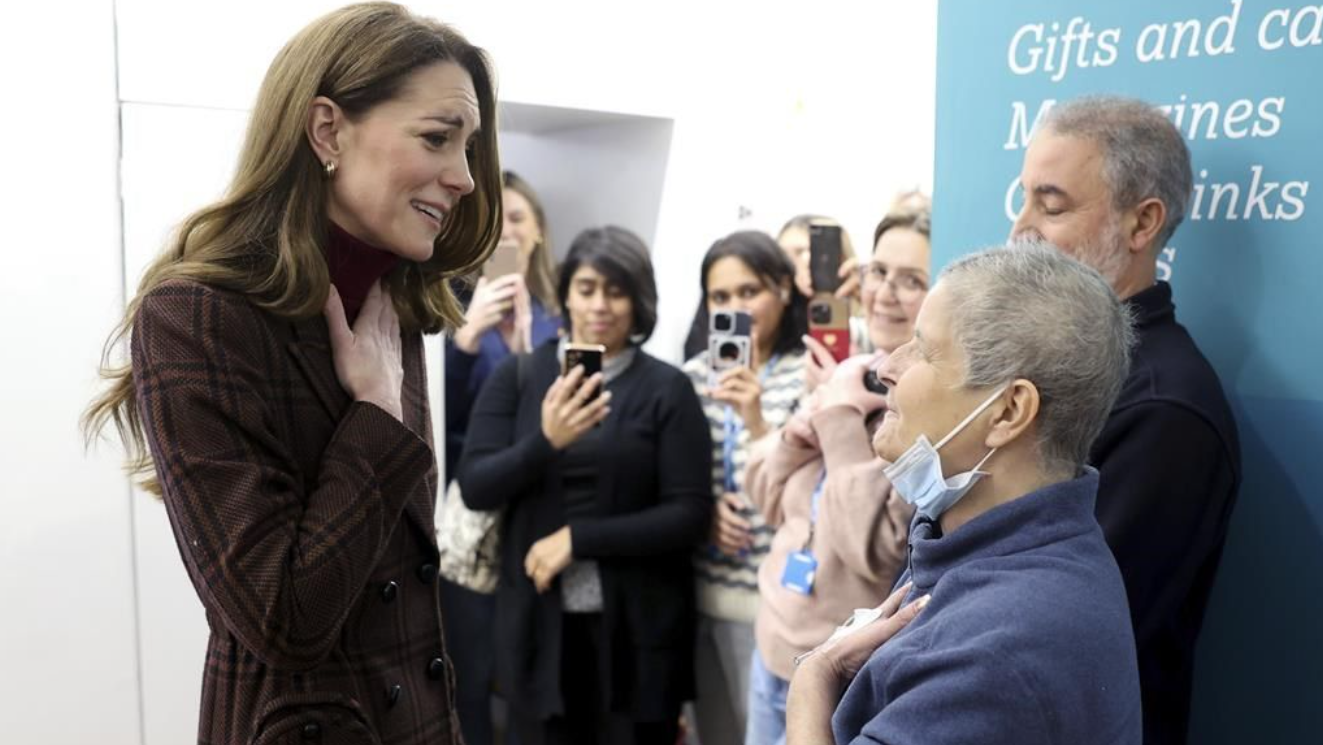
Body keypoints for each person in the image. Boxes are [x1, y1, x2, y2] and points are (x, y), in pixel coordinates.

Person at [81, 4, 500, 743]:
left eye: (468, 146)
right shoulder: (196, 316)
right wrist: (372, 414)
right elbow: (280, 617)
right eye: (438, 137)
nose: (464, 177)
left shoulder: (391, 304)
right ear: (327, 130)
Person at [787, 241, 1141, 745]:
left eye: (924, 352)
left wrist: (810, 684)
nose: (887, 367)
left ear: (1008, 412)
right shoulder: (974, 540)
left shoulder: (999, 650)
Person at [1011, 95, 1241, 745]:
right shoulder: (1060, 364)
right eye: (1023, 199)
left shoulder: (1167, 411)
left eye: (1050, 205)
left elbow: (1060, 630)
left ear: (1141, 224)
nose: (1019, 228)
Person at [458, 226, 712, 745]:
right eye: (588, 287)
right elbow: (476, 487)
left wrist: (578, 539)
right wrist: (546, 441)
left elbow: (688, 514)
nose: (600, 305)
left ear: (638, 301)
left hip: (638, 636)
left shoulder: (666, 389)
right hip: (539, 630)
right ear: (567, 291)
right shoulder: (520, 376)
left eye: (617, 292)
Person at [742, 206, 931, 745]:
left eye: (912, 280)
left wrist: (840, 423)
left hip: (841, 668)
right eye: (879, 272)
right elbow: (769, 499)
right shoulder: (842, 370)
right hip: (773, 643)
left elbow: (872, 548)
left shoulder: (923, 404)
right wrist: (795, 433)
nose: (886, 293)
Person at [440, 170, 561, 745]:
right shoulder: (449, 314)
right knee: (470, 667)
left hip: (540, 516)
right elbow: (438, 421)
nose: (505, 231)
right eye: (493, 220)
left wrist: (529, 361)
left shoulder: (561, 322)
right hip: (471, 517)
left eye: (517, 218)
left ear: (537, 232)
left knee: (529, 669)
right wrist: (464, 344)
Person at [682, 231, 809, 745]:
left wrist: (757, 422)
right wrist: (706, 512)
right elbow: (675, 485)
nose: (735, 307)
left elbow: (812, 493)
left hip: (782, 604)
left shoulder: (812, 375)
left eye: (748, 291)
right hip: (703, 594)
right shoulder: (692, 379)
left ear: (783, 289)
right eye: (720, 297)